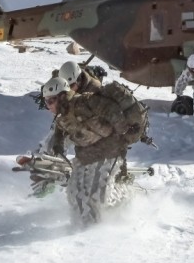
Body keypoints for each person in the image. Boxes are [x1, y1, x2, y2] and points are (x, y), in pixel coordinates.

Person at [35, 77, 145, 227]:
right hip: (86, 155)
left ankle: (125, 195)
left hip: (108, 150)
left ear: (61, 96)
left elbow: (110, 109)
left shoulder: (84, 102)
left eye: (50, 101)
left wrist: (123, 131)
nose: (48, 106)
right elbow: (59, 130)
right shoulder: (62, 118)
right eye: (46, 102)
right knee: (74, 192)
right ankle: (82, 224)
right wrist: (58, 145)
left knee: (98, 195)